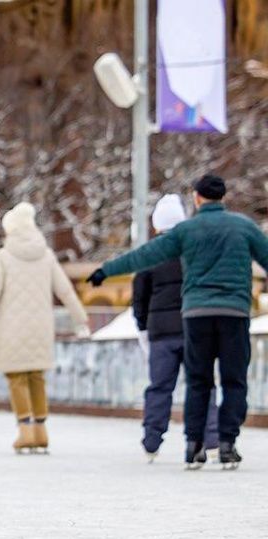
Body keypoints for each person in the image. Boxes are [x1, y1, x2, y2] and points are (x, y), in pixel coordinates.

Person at [89, 174, 268, 469]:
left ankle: (194, 445)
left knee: (199, 381)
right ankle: (226, 443)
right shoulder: (244, 227)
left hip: (196, 314)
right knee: (234, 380)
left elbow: (145, 256)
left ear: (197, 199)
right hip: (233, 313)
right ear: (223, 198)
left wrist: (106, 270)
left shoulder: (186, 231)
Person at [0, 202, 90, 453]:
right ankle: (41, 432)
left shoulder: (4, 257)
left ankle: (25, 431)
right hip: (41, 327)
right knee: (36, 376)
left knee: (17, 378)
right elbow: (64, 289)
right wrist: (80, 318)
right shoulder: (46, 255)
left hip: (12, 329)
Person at [131, 194, 219, 462]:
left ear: (157, 226)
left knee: (159, 386)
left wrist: (144, 326)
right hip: (193, 329)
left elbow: (139, 298)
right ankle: (211, 438)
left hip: (160, 334)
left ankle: (152, 441)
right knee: (202, 384)